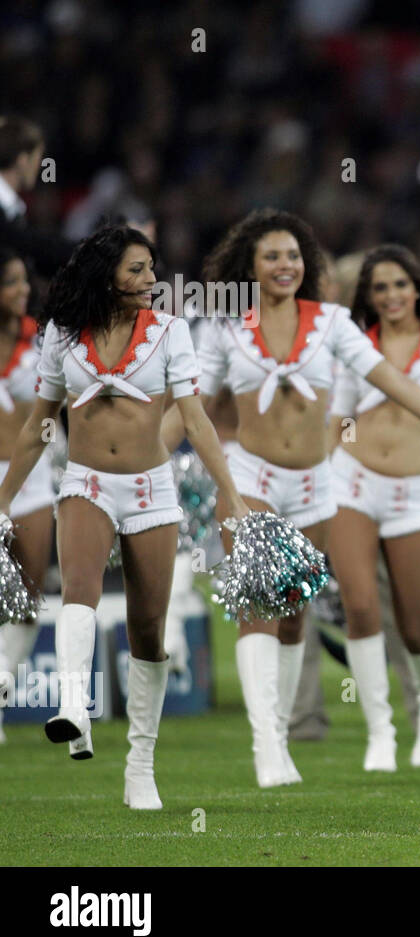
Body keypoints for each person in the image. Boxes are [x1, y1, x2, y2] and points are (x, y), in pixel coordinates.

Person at [161, 209, 420, 788]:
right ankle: (266, 745)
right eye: (272, 256)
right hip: (250, 480)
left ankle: (281, 730)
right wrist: (141, 460)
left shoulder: (332, 323)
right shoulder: (226, 329)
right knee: (259, 609)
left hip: (316, 486)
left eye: (293, 255)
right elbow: (192, 408)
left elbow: (389, 380)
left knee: (295, 620)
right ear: (249, 266)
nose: (285, 265)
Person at [0, 224, 249, 808]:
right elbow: (41, 423)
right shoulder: (62, 333)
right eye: (137, 269)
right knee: (79, 590)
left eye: (151, 268)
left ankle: (141, 764)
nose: (150, 279)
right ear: (105, 273)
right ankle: (72, 707)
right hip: (85, 482)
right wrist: (4, 498)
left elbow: (195, 420)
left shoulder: (169, 329)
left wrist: (232, 494)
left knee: (148, 631)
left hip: (150, 490)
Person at [327, 244, 420, 770]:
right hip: (352, 482)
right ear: (368, 297)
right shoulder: (356, 339)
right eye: (379, 288)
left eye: (399, 284)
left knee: (415, 627)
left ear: (417, 288)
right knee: (360, 608)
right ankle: (381, 732)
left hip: (416, 491)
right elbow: (342, 416)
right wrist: (328, 465)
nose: (391, 295)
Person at [0, 248, 55, 744]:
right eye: (10, 282)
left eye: (24, 281)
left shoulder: (40, 337)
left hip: (31, 479)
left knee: (27, 594)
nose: (22, 291)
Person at [0, 117, 76, 275]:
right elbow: (29, 244)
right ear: (23, 160)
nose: (40, 167)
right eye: (38, 159)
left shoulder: (12, 209)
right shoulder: (4, 214)